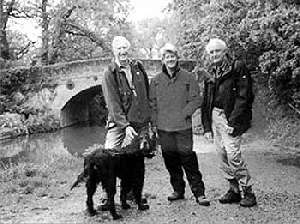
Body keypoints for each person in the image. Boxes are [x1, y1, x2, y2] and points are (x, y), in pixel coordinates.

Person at [149, 43, 210, 206]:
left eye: (173, 56)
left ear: (177, 58)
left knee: (188, 159)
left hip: (183, 127)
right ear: (162, 60)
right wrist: (154, 124)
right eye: (167, 57)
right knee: (170, 160)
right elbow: (152, 103)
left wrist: (184, 114)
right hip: (164, 128)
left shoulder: (188, 77)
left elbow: (196, 99)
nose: (170, 59)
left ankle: (199, 193)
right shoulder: (155, 81)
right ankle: (178, 190)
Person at [201, 38, 257, 207]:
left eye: (217, 51)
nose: (214, 54)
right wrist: (206, 127)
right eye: (211, 52)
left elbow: (244, 96)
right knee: (221, 155)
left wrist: (233, 121)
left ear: (225, 51)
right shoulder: (211, 72)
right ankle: (233, 190)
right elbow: (206, 100)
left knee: (233, 154)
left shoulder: (237, 67)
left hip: (231, 117)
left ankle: (248, 192)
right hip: (215, 116)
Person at [101, 35, 151, 207]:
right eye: (119, 49)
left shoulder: (138, 67)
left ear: (129, 49)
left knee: (134, 159)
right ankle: (108, 196)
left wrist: (146, 121)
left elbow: (145, 94)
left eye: (125, 48)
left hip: (137, 121)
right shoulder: (109, 73)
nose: (123, 52)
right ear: (114, 51)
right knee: (109, 157)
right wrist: (125, 125)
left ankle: (132, 193)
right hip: (118, 123)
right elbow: (113, 103)